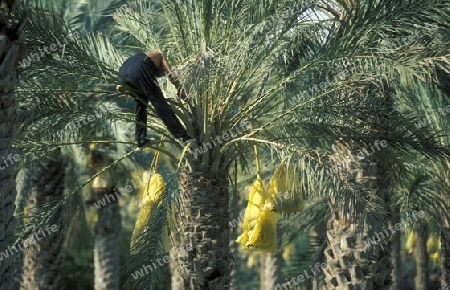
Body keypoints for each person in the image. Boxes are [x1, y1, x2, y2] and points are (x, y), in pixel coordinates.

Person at [117, 51, 192, 148]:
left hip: (122, 76)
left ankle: (141, 140)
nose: (160, 76)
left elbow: (125, 79)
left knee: (141, 103)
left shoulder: (146, 57)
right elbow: (171, 75)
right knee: (158, 100)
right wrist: (180, 90)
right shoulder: (161, 56)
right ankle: (183, 135)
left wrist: (123, 86)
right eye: (160, 74)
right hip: (138, 69)